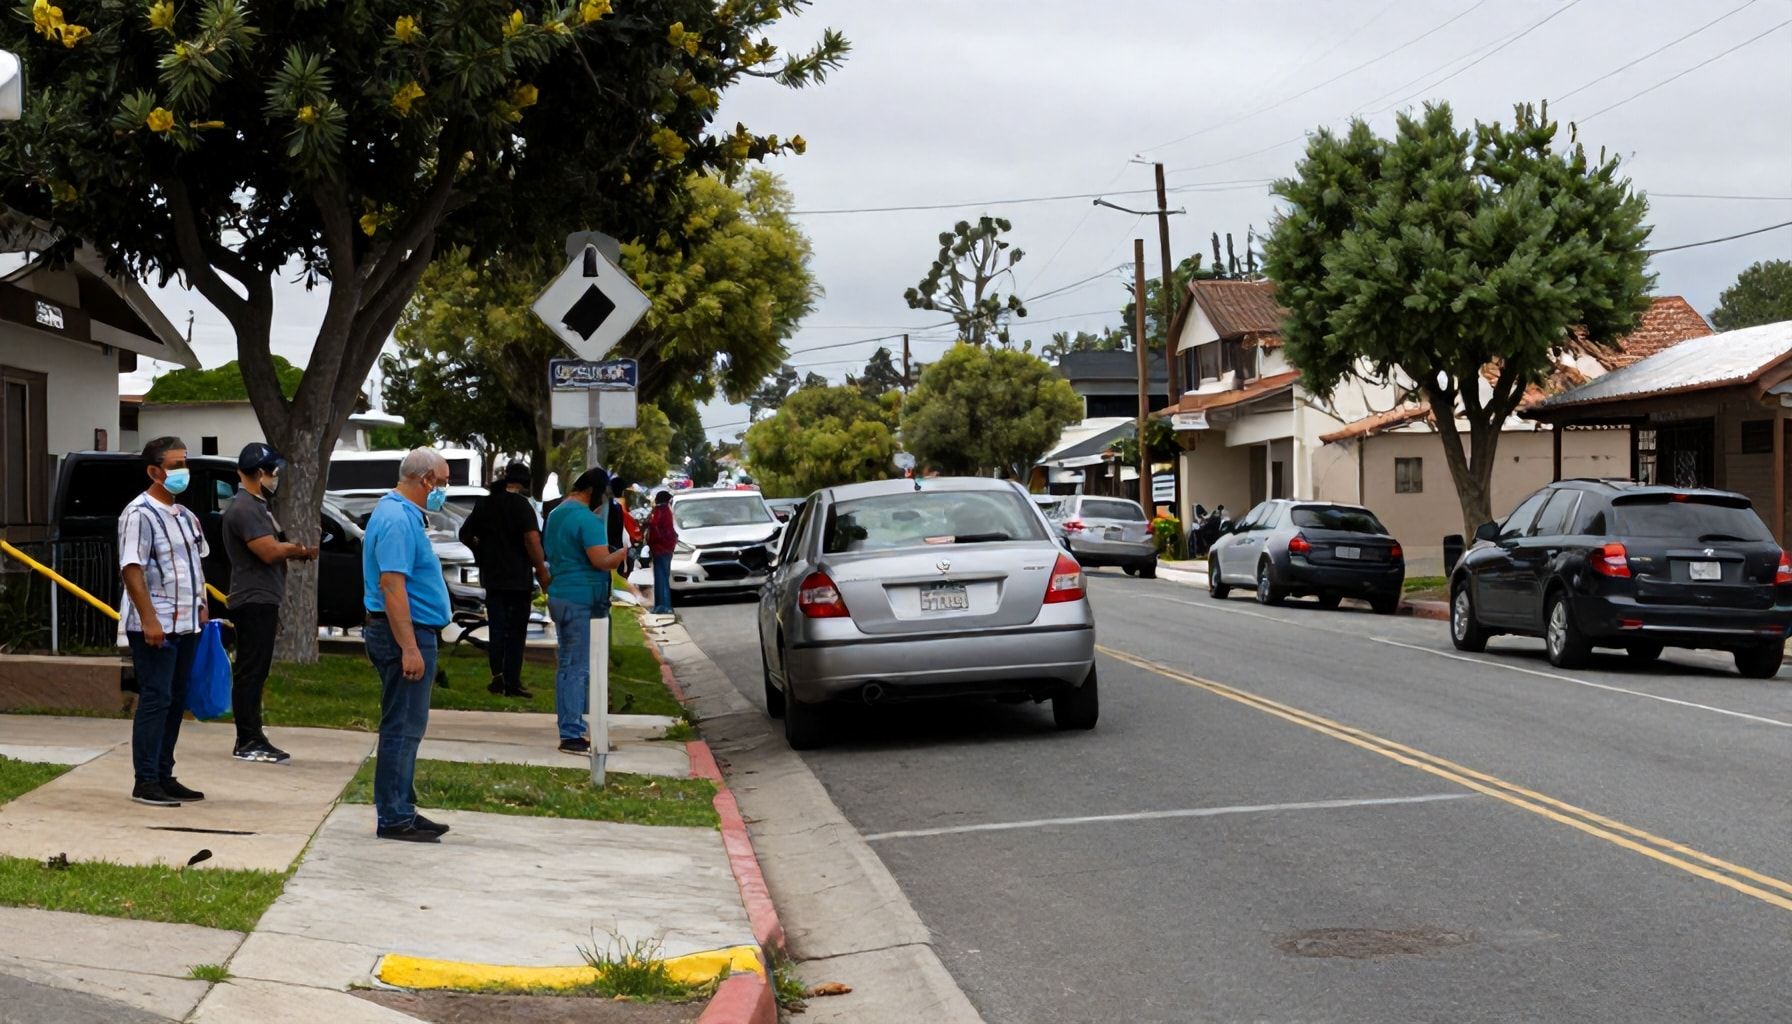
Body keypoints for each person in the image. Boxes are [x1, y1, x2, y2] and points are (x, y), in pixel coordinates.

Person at [363, 448, 455, 843]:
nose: (445, 490)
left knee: (408, 726)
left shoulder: (401, 515)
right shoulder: (398, 519)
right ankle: (394, 816)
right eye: (444, 482)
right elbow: (392, 586)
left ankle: (402, 806)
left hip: (412, 631)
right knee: (401, 727)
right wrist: (410, 647)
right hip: (405, 633)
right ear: (426, 480)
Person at [119, 436, 210, 807]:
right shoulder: (139, 514)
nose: (181, 471)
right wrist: (150, 619)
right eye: (174, 465)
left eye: (184, 462)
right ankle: (146, 780)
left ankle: (164, 772)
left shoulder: (186, 516)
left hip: (187, 623)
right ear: (155, 471)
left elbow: (195, 565)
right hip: (155, 626)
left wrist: (202, 604)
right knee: (156, 698)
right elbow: (132, 569)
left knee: (176, 699)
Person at [220, 442, 318, 764]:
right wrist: (297, 549)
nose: (276, 477)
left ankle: (254, 734)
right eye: (273, 471)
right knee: (250, 671)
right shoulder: (245, 508)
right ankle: (248, 739)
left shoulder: (258, 505)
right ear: (260, 473)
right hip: (253, 599)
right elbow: (267, 551)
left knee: (257, 671)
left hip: (263, 598)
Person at [543, 468, 629, 754]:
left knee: (568, 664)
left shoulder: (555, 514)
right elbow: (601, 560)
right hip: (583, 598)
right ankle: (572, 734)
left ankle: (572, 727)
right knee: (579, 667)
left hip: (560, 594)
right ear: (593, 492)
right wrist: (623, 553)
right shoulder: (587, 520)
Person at [459, 461, 550, 700]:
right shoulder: (522, 506)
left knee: (497, 629)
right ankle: (512, 681)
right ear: (526, 482)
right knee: (516, 632)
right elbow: (532, 540)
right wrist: (540, 568)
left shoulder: (485, 503)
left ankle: (496, 676)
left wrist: (482, 552)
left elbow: (465, 534)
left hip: (492, 577)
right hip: (517, 578)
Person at [646, 490, 677, 617]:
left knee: (661, 578)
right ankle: (663, 605)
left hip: (660, 548)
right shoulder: (666, 512)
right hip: (665, 548)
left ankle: (663, 606)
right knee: (662, 577)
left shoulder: (660, 512)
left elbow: (656, 530)